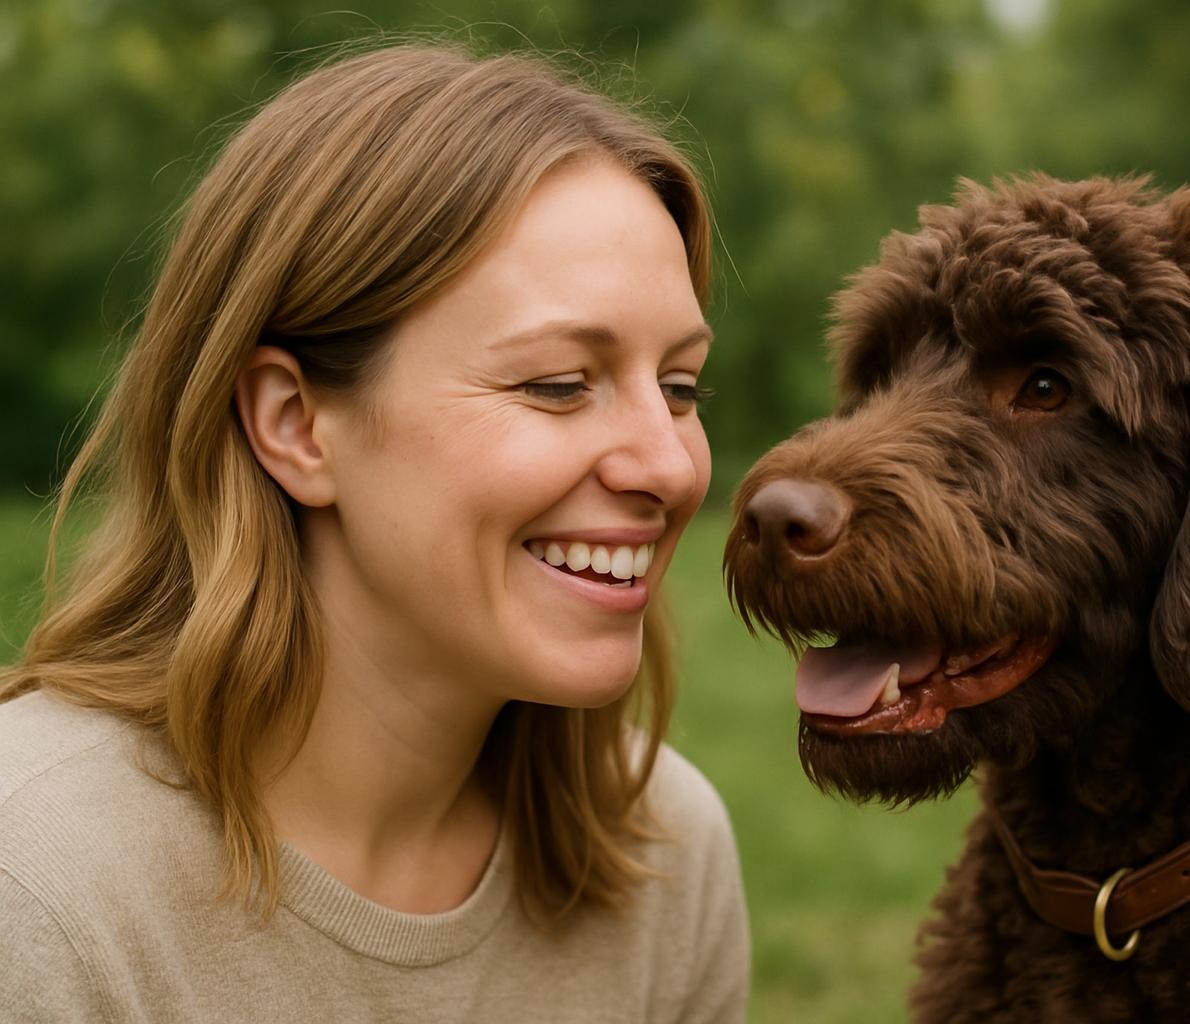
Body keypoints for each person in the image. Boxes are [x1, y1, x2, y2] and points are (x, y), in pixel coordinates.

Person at [0, 43, 748, 1022]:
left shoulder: (663, 852)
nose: (668, 464)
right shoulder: (36, 886)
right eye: (558, 384)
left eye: (679, 386)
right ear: (295, 424)